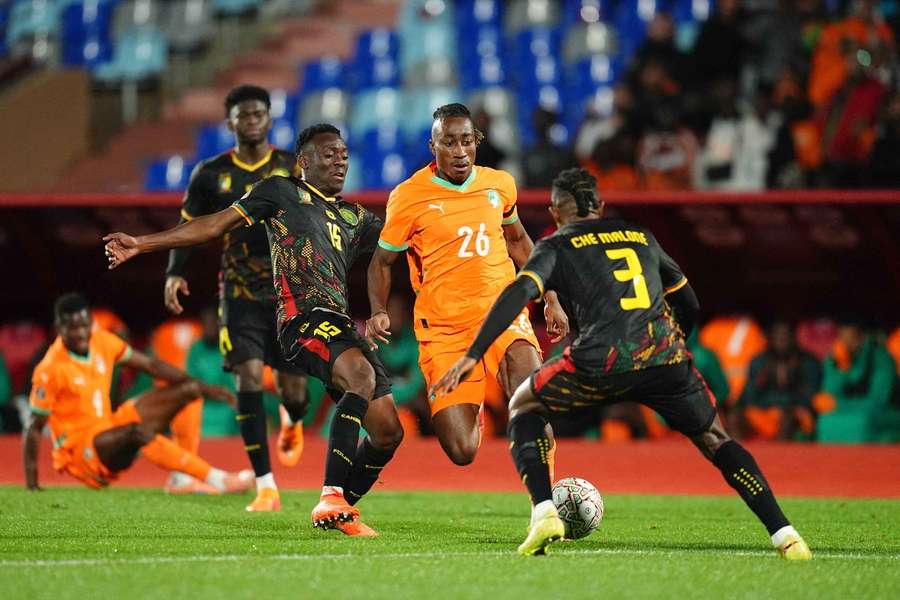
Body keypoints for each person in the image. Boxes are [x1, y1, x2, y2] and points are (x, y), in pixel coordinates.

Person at [432, 168, 811, 560]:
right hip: (662, 356)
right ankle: (785, 534)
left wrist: (473, 354)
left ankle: (544, 511)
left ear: (556, 211)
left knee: (524, 404)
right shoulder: (640, 236)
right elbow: (689, 301)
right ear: (599, 205)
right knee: (716, 439)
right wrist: (674, 339)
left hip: (601, 358)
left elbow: (518, 292)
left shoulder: (557, 244)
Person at [104, 124, 404, 537]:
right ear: (304, 161)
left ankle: (339, 511)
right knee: (361, 376)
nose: (341, 161)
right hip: (301, 321)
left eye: (344, 154)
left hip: (338, 324)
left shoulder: (354, 216)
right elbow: (214, 224)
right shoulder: (280, 191)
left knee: (388, 431)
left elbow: (400, 246)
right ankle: (331, 496)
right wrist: (143, 243)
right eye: (329, 154)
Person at [366, 103, 570, 466]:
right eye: (448, 142)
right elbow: (381, 262)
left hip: (502, 313)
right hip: (445, 329)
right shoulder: (409, 197)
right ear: (434, 147)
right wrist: (379, 311)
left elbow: (520, 241)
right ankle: (471, 404)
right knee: (462, 450)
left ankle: (546, 504)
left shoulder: (499, 184)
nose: (459, 152)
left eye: (466, 141)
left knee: (531, 400)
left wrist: (551, 296)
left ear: (476, 141)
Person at [163, 85, 309, 510]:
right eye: (243, 115)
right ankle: (265, 484)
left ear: (269, 118)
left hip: (289, 293)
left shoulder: (288, 166)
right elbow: (190, 227)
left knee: (295, 391)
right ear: (230, 122)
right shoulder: (210, 174)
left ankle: (292, 416)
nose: (251, 120)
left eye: (258, 113)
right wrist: (174, 272)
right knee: (246, 377)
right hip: (239, 291)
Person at [23, 293, 252, 493]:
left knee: (189, 391)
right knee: (136, 432)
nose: (82, 333)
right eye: (73, 328)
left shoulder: (102, 341)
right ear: (59, 327)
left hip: (108, 426)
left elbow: (151, 366)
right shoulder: (50, 369)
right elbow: (34, 427)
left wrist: (204, 387)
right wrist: (32, 481)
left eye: (85, 325)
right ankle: (218, 479)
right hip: (80, 453)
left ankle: (182, 480)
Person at [732, 320, 821, 441]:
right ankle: (738, 457)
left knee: (787, 418)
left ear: (793, 338)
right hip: (764, 411)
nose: (781, 340)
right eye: (777, 336)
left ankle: (782, 458)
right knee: (735, 417)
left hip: (794, 414)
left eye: (785, 336)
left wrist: (783, 404)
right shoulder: (759, 362)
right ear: (771, 339)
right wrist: (763, 379)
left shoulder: (808, 362)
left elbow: (809, 397)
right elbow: (748, 397)